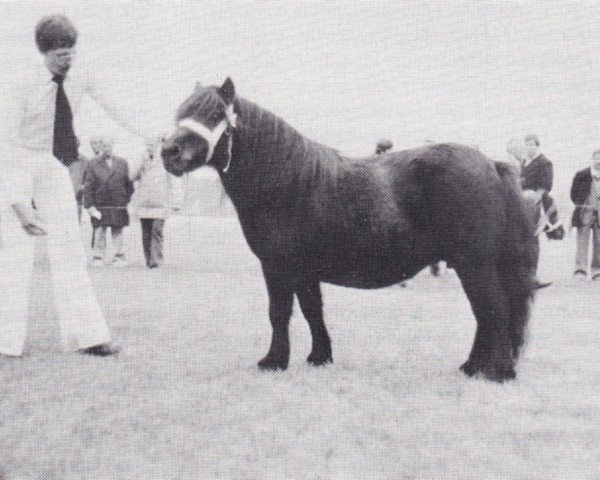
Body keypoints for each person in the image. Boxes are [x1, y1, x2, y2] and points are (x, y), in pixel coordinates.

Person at [0, 15, 146, 357]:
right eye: (59, 56)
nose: (67, 61)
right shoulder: (19, 83)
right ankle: (6, 343)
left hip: (53, 162)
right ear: (44, 54)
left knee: (69, 249)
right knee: (15, 254)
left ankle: (90, 337)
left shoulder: (81, 74)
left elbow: (115, 106)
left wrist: (149, 132)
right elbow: (5, 148)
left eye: (70, 53)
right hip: (19, 159)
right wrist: (19, 205)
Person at [84, 136, 134, 267]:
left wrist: (125, 199)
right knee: (100, 230)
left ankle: (118, 257)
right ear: (101, 147)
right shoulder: (93, 163)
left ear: (113, 145)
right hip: (100, 204)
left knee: (117, 231)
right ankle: (98, 257)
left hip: (118, 204)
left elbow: (129, 184)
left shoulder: (123, 162)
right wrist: (89, 205)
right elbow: (88, 187)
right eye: (104, 146)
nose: (107, 148)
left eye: (109, 145)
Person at [132, 136, 176, 268]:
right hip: (144, 204)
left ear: (157, 146)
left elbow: (174, 180)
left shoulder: (164, 160)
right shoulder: (142, 160)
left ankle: (156, 260)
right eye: (148, 144)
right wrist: (140, 163)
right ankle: (149, 260)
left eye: (152, 144)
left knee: (156, 231)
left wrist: (175, 202)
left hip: (160, 203)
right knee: (146, 233)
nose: (150, 147)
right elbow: (132, 176)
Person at [521, 134, 564, 239]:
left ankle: (545, 226)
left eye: (531, 145)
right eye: (527, 145)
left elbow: (546, 185)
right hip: (522, 194)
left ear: (537, 146)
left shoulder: (544, 162)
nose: (529, 147)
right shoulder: (524, 161)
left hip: (537, 195)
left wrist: (535, 197)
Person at [570, 150, 600, 280]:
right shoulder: (582, 175)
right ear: (592, 159)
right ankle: (580, 270)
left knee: (599, 242)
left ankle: (597, 271)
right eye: (596, 158)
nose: (598, 161)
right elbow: (573, 194)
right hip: (584, 214)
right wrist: (582, 204)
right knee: (582, 242)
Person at [68, 137, 89, 222]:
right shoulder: (60, 160)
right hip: (61, 199)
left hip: (76, 200)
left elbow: (89, 179)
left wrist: (82, 187)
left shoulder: (85, 161)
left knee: (75, 226)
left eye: (74, 146)